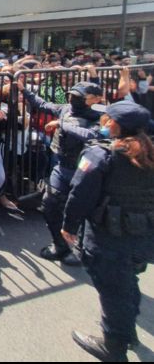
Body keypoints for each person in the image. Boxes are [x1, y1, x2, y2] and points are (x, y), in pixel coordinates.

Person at [61, 101, 154, 362]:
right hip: (141, 232)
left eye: (107, 118)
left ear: (115, 124)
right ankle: (127, 332)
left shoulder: (102, 155)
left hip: (107, 234)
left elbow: (80, 194)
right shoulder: (147, 151)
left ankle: (114, 345)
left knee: (114, 291)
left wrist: (69, 226)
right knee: (128, 283)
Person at [19, 78, 104, 265]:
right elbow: (41, 104)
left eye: (79, 96)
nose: (73, 99)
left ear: (95, 99)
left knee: (81, 210)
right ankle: (60, 244)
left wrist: (61, 124)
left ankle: (81, 249)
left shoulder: (101, 115)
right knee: (49, 204)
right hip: (62, 166)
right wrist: (23, 89)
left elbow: (91, 135)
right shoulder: (66, 109)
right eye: (71, 95)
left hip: (85, 170)